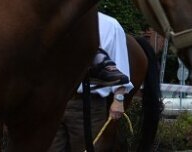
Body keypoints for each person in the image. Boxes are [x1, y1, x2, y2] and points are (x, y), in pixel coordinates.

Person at [48, 12, 133, 152]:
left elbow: (121, 68)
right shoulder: (55, 20)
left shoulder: (111, 25)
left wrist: (118, 99)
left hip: (88, 105)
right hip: (54, 103)